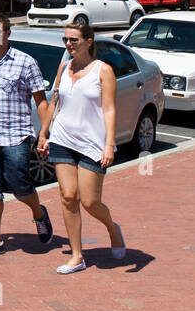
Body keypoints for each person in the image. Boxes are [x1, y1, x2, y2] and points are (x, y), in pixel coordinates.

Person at [39, 23, 128, 273]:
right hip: (63, 139)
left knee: (89, 202)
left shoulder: (103, 70)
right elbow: (54, 101)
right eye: (65, 39)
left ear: (89, 41)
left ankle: (112, 228)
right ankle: (77, 256)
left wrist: (109, 144)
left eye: (74, 40)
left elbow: (109, 109)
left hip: (92, 143)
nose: (68, 44)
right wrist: (44, 133)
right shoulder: (63, 68)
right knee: (68, 197)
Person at [0, 13, 55, 257]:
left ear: (7, 33)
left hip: (16, 136)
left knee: (20, 186)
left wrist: (44, 132)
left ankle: (38, 213)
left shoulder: (25, 62)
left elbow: (41, 101)